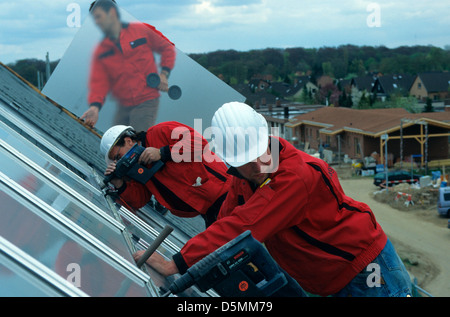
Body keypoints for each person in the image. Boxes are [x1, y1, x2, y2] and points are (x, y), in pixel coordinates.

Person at [133, 102, 413, 297]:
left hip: (370, 273)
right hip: (337, 278)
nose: (257, 165)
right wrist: (201, 259)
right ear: (231, 163)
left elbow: (243, 225)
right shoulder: (244, 179)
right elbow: (225, 220)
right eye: (246, 161)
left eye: (259, 153)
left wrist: (178, 264)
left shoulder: (296, 177)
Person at [101, 122, 230, 227]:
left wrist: (162, 152)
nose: (119, 161)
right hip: (207, 211)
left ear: (128, 141)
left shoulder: (158, 132)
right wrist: (119, 182)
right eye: (116, 160)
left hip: (226, 193)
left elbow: (199, 143)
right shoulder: (135, 168)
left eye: (118, 156)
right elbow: (140, 200)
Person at [81, 0, 176, 131]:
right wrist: (94, 107)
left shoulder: (141, 30)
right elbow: (99, 83)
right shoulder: (102, 50)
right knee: (116, 141)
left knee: (136, 141)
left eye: (98, 16)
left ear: (112, 12)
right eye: (94, 18)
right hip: (123, 105)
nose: (96, 22)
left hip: (146, 101)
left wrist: (164, 74)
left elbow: (168, 48)